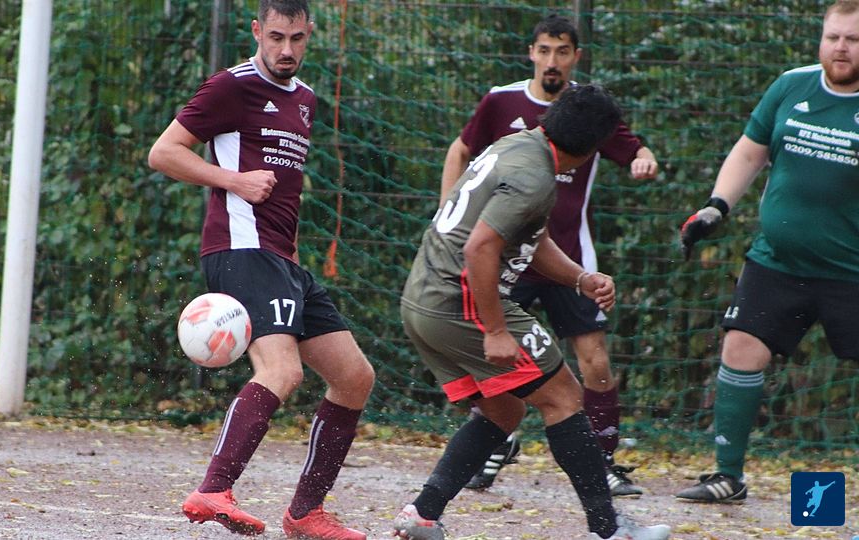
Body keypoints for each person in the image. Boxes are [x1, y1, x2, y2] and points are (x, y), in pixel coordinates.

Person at [393, 84, 670, 540]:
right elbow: (480, 248)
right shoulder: (535, 176)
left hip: (422, 301)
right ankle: (608, 530)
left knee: (504, 410)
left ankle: (421, 515)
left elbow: (531, 239)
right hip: (457, 301)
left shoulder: (517, 145)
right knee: (564, 397)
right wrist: (495, 330)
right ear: (594, 148)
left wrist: (580, 278)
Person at [147, 1, 375, 538]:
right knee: (282, 370)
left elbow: (287, 191)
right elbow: (163, 153)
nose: (286, 49)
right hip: (240, 248)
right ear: (257, 31)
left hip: (281, 260)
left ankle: (304, 513)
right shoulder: (231, 86)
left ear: (309, 33)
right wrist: (234, 181)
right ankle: (213, 489)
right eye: (276, 37)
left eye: (297, 38)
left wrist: (290, 256)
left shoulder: (306, 99)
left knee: (354, 378)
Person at [441, 14, 658, 496]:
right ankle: (497, 442)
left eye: (562, 51)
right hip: (507, 253)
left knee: (594, 359)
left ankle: (603, 461)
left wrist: (644, 160)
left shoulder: (587, 109)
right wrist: (448, 210)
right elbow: (459, 150)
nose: (552, 61)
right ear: (531, 53)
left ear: (576, 56)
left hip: (568, 257)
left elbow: (636, 149)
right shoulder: (501, 101)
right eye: (544, 50)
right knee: (486, 350)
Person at [676, 0, 859, 504]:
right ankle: (727, 476)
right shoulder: (790, 86)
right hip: (778, 261)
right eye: (833, 37)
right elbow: (750, 150)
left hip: (851, 272)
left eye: (853, 40)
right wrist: (715, 207)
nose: (840, 48)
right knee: (741, 347)